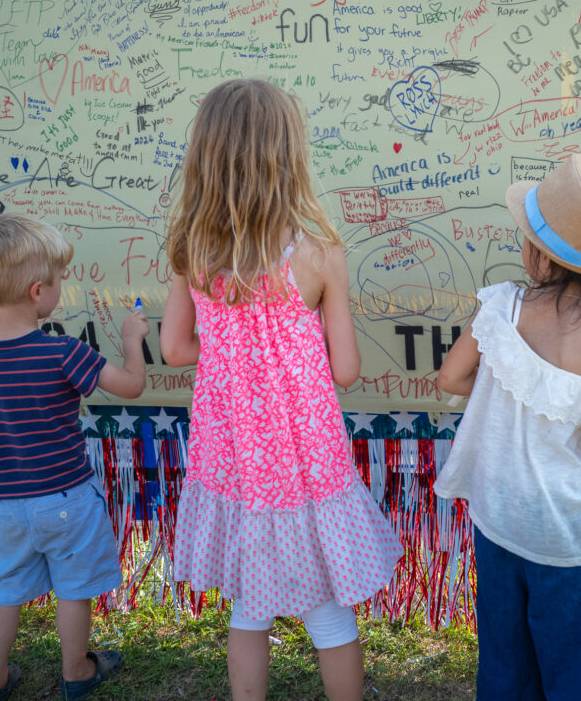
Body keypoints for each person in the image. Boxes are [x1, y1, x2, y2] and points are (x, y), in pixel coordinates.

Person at [161, 78, 400, 701]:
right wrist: (291, 358)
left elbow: (175, 349)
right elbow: (344, 369)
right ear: (286, 157)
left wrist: (236, 360)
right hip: (305, 460)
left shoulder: (193, 249)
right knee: (328, 608)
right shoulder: (319, 255)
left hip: (233, 454)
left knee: (249, 604)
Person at [434, 154, 581, 701]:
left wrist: (504, 384)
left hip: (499, 513)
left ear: (538, 255)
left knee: (504, 657)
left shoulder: (501, 308)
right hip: (564, 530)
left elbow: (451, 378)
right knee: (577, 662)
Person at [0, 213, 150, 701]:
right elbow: (132, 386)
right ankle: (77, 672)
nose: (61, 287)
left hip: (5, 504)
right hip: (66, 500)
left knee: (6, 589)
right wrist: (132, 339)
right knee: (73, 589)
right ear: (38, 291)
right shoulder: (61, 351)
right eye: (58, 280)